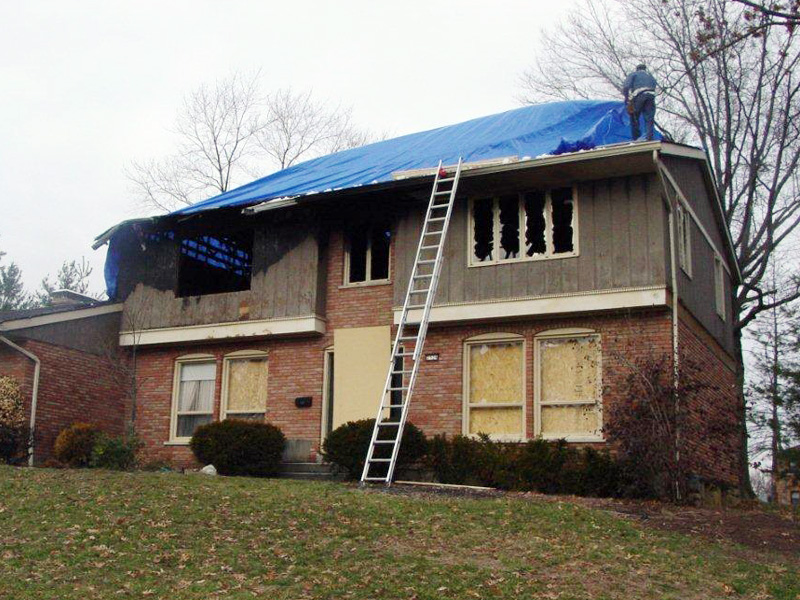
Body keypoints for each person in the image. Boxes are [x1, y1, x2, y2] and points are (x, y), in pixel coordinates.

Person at [623, 64, 657, 141]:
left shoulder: (634, 74)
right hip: (651, 96)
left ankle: (636, 138)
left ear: (637, 69)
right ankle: (649, 138)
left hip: (639, 96)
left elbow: (626, 87)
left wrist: (626, 98)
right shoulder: (651, 76)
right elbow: (654, 85)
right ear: (645, 69)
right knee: (649, 118)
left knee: (633, 116)